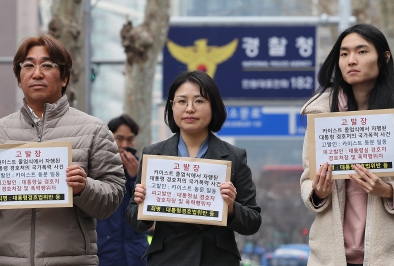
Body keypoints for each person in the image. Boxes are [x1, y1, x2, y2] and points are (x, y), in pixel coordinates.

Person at [0, 34, 126, 265]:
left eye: (47, 65)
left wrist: (83, 188)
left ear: (65, 77)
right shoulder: (1, 131)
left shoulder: (93, 129)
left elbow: (114, 195)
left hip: (72, 261)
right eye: (28, 66)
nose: (37, 73)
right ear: (19, 78)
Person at [126, 70, 262, 265]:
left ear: (213, 106)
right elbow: (133, 219)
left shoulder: (234, 156)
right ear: (171, 107)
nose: (190, 108)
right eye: (181, 101)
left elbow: (253, 221)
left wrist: (231, 208)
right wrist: (141, 204)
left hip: (216, 260)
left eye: (199, 101)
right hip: (167, 259)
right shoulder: (154, 155)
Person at [300, 24, 394, 266]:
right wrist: (318, 193)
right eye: (344, 54)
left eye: (362, 52)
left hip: (390, 256)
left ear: (384, 57)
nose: (351, 60)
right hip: (330, 257)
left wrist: (388, 191)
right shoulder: (322, 112)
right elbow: (306, 179)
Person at [97, 114, 148, 266]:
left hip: (136, 253)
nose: (125, 144)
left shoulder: (143, 169)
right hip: (105, 252)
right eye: (119, 138)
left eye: (130, 139)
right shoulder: (97, 168)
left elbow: (147, 209)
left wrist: (135, 178)